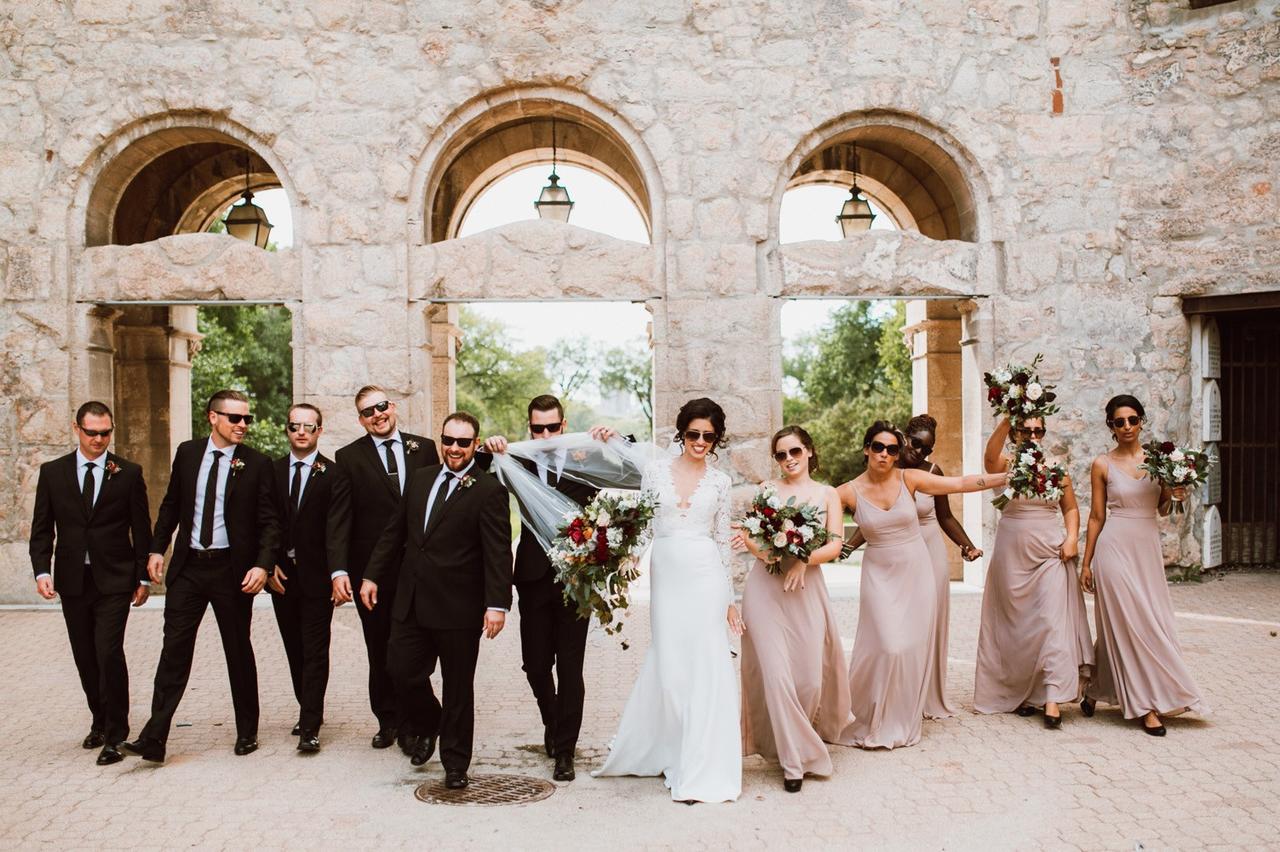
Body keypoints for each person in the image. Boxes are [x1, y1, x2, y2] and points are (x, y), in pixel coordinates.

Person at [592, 398, 744, 803]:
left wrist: (730, 598)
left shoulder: (721, 482)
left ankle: (700, 763)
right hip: (668, 575)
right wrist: (627, 559)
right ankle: (672, 747)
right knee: (672, 666)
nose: (700, 441)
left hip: (706, 575)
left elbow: (722, 542)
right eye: (693, 433)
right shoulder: (656, 471)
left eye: (708, 436)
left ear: (717, 439)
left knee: (706, 664)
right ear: (681, 432)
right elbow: (643, 526)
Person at [123, 390, 281, 764]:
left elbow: (271, 522)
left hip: (232, 571)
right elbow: (172, 506)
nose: (242, 425)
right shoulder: (188, 453)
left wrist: (262, 565)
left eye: (247, 419)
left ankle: (247, 731)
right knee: (174, 650)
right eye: (234, 418)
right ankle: (155, 737)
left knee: (237, 650)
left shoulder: (257, 464)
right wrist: (157, 549)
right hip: (189, 569)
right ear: (213, 417)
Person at [361, 412, 512, 789]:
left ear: (475, 445)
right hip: (411, 601)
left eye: (463, 442)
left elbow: (498, 552)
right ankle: (429, 722)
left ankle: (456, 763)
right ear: (440, 440)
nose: (454, 449)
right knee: (400, 669)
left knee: (458, 687)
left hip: (459, 607)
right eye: (448, 440)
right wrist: (371, 574)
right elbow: (394, 533)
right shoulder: (422, 477)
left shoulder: (488, 490)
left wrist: (498, 604)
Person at [836, 421, 1007, 749]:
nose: (885, 454)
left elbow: (959, 484)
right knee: (887, 645)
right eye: (878, 447)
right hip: (878, 575)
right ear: (866, 449)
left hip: (917, 572)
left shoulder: (911, 478)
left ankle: (900, 716)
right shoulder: (847, 491)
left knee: (909, 647)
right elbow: (817, 513)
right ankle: (871, 712)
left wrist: (1004, 477)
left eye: (891, 449)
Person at [481, 394, 599, 782]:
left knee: (570, 668)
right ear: (529, 427)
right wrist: (488, 448)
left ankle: (565, 750)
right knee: (535, 665)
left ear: (564, 425)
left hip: (576, 580)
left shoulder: (586, 462)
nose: (545, 434)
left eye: (552, 427)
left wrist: (613, 438)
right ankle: (553, 721)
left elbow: (628, 465)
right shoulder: (517, 459)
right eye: (538, 428)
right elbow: (473, 471)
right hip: (532, 577)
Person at [28, 401, 151, 766]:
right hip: (72, 580)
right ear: (76, 429)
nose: (99, 439)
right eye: (92, 432)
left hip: (114, 578)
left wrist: (143, 575)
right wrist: (41, 571)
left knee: (108, 651)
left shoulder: (128, 473)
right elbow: (41, 528)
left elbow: (141, 530)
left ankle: (116, 734)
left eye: (105, 433)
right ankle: (99, 719)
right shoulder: (53, 473)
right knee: (85, 656)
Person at [734, 426, 853, 793]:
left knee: (807, 679)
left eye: (795, 452)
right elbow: (752, 537)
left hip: (806, 588)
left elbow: (834, 545)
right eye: (782, 455)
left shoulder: (827, 494)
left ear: (809, 451)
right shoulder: (767, 492)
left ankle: (796, 742)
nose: (789, 460)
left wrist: (801, 559)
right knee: (776, 677)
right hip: (765, 590)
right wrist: (770, 554)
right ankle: (793, 763)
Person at [1080, 394, 1206, 736]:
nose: (1127, 427)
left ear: (1141, 421)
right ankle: (1147, 706)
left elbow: (1163, 509)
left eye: (1132, 420)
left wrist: (1175, 493)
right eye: (1119, 422)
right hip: (1113, 550)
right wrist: (1086, 563)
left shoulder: (1159, 461)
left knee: (1140, 623)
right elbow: (1095, 516)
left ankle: (1093, 688)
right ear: (1110, 426)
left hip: (1146, 551)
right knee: (1132, 624)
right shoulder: (1101, 464)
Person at [333, 385, 439, 751]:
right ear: (360, 420)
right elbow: (341, 519)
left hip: (418, 571)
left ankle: (413, 722)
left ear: (392, 406)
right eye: (367, 412)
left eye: (381, 406)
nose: (377, 415)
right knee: (378, 649)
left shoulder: (424, 448)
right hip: (371, 574)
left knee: (408, 651)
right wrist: (340, 571)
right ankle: (387, 720)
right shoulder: (347, 457)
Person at [973, 415, 1093, 729]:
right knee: (1019, 626)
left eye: (1039, 430)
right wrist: (1003, 420)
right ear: (1015, 432)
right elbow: (988, 460)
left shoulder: (1056, 466)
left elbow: (1070, 508)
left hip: (1050, 552)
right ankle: (1025, 693)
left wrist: (1071, 538)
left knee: (1052, 621)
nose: (1033, 435)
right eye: (1026, 429)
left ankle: (1053, 696)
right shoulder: (1007, 464)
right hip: (1012, 555)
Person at [267, 403, 351, 753]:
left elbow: (337, 529)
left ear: (319, 431)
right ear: (287, 430)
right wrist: (268, 564)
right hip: (282, 577)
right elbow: (265, 522)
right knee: (294, 648)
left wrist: (337, 573)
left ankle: (311, 725)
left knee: (315, 649)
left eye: (308, 427)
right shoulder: (270, 472)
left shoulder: (333, 475)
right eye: (294, 426)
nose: (301, 432)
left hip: (318, 577)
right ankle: (306, 709)